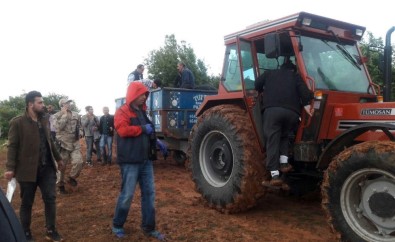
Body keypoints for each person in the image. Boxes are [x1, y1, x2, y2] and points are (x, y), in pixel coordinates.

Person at [5, 91, 64, 242]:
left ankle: (51, 229)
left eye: (42, 102)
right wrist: (10, 168)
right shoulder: (17, 122)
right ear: (30, 104)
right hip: (26, 170)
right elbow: (12, 146)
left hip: (47, 168)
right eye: (40, 102)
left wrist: (59, 159)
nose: (43, 105)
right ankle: (25, 231)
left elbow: (50, 141)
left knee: (50, 198)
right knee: (27, 202)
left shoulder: (44, 119)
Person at [111, 82, 168, 240]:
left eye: (145, 94)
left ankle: (149, 227)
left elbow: (148, 133)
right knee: (127, 194)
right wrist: (142, 129)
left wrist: (157, 142)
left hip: (145, 161)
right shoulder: (122, 111)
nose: (145, 97)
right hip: (130, 161)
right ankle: (117, 224)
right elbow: (122, 131)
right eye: (142, 94)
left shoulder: (143, 113)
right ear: (133, 94)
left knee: (149, 194)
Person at [254, 57, 314, 187]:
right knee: (284, 136)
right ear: (293, 70)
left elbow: (257, 84)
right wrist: (307, 105)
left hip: (273, 112)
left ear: (281, 68)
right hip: (292, 113)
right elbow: (305, 92)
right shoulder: (295, 76)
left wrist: (263, 89)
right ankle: (284, 163)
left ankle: (274, 175)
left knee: (272, 139)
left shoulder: (270, 73)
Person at [53, 98, 84, 194]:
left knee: (79, 162)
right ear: (61, 105)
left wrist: (81, 132)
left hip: (74, 143)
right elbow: (58, 128)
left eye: (69, 103)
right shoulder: (55, 116)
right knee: (61, 166)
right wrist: (64, 115)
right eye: (66, 103)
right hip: (63, 144)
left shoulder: (76, 114)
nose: (69, 104)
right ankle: (60, 186)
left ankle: (71, 178)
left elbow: (80, 126)